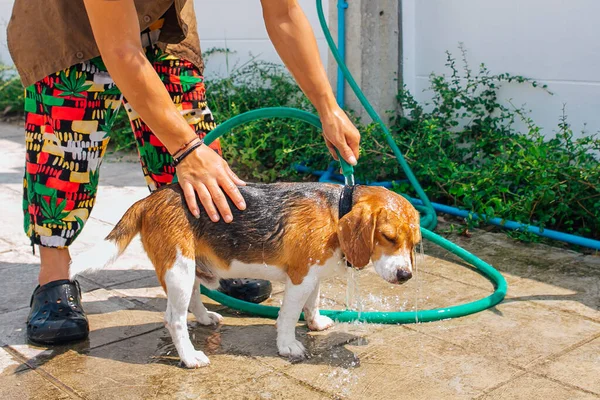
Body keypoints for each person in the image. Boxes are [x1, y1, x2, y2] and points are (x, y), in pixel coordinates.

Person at [7, 0, 360, 345]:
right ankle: (54, 274)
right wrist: (186, 149)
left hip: (163, 20)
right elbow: (120, 48)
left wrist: (328, 107)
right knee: (65, 154)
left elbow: (283, 12)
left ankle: (217, 257)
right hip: (67, 24)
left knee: (193, 144)